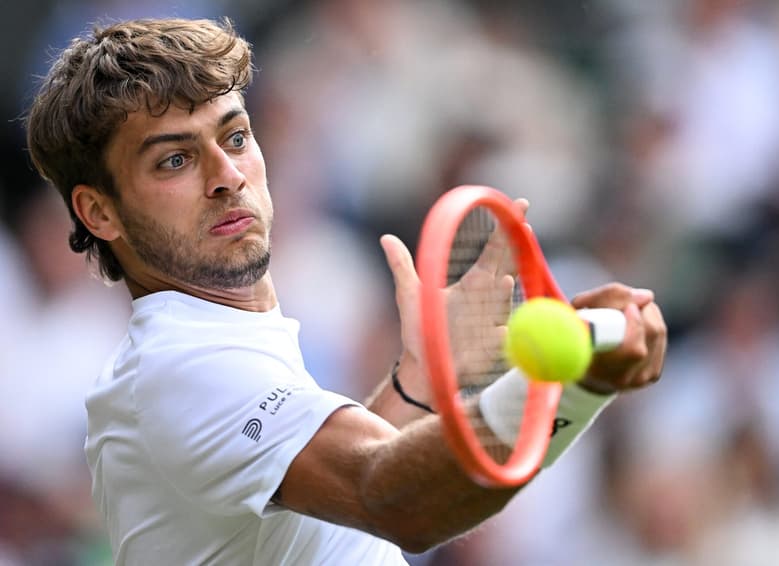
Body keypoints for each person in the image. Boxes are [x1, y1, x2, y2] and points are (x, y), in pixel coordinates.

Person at [24, 17, 667, 565]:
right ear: (99, 212)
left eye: (236, 137)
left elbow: (350, 507)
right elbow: (397, 501)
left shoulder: (209, 350)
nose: (227, 175)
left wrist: (417, 381)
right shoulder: (181, 369)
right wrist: (576, 383)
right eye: (175, 159)